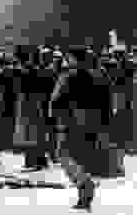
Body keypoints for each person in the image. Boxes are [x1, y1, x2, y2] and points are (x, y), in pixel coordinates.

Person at [49, 46, 112, 211]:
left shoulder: (68, 75)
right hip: (92, 122)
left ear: (74, 59)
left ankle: (85, 184)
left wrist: (54, 117)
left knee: (63, 154)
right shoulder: (100, 74)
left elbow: (57, 99)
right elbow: (107, 100)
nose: (66, 60)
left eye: (68, 57)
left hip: (70, 121)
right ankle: (84, 197)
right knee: (81, 158)